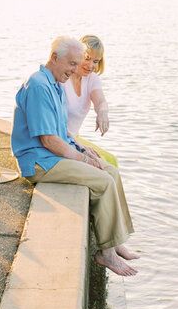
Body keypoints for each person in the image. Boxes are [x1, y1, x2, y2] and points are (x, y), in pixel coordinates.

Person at [11, 36, 140, 276]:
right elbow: (48, 140)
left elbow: (62, 132)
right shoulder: (39, 85)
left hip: (51, 155)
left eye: (76, 64)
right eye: (71, 64)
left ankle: (116, 240)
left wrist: (80, 148)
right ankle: (106, 253)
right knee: (102, 180)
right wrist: (82, 160)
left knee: (110, 169)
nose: (74, 70)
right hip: (39, 161)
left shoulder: (56, 84)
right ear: (54, 58)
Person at [66, 34, 109, 139]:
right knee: (91, 156)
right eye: (87, 59)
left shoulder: (92, 78)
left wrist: (102, 112)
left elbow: (100, 101)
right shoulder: (63, 78)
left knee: (110, 157)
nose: (90, 66)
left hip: (74, 138)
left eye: (95, 61)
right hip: (60, 137)